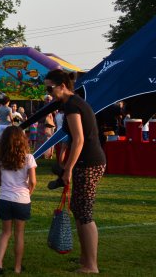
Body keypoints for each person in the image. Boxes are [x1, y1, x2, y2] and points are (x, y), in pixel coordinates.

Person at [44, 69, 105, 273]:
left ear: (62, 86)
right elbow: (72, 138)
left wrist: (68, 169)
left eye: (49, 87)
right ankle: (85, 259)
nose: (48, 92)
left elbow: (79, 140)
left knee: (85, 214)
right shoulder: (73, 103)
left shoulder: (71, 105)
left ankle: (91, 265)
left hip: (89, 163)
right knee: (79, 212)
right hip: (86, 162)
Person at [0, 126, 37, 275]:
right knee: (19, 234)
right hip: (22, 199)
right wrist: (28, 193)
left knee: (5, 233)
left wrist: (6, 185)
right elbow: (33, 181)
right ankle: (17, 267)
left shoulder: (0, 159)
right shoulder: (28, 158)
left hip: (4, 198)